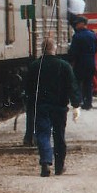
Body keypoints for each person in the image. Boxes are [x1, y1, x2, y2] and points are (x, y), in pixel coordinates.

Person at [22, 36, 80, 176]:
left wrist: (29, 104)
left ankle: (46, 162)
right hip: (60, 107)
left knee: (43, 134)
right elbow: (72, 87)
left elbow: (28, 88)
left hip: (41, 106)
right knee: (59, 135)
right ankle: (59, 167)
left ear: (42, 50)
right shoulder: (64, 65)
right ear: (54, 49)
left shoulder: (35, 66)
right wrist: (76, 105)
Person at [68, 16, 97, 110]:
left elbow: (73, 51)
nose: (76, 26)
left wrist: (70, 60)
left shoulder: (77, 36)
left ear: (82, 24)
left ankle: (79, 101)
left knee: (78, 82)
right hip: (91, 62)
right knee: (88, 83)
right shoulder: (93, 34)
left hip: (80, 63)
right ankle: (88, 103)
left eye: (77, 24)